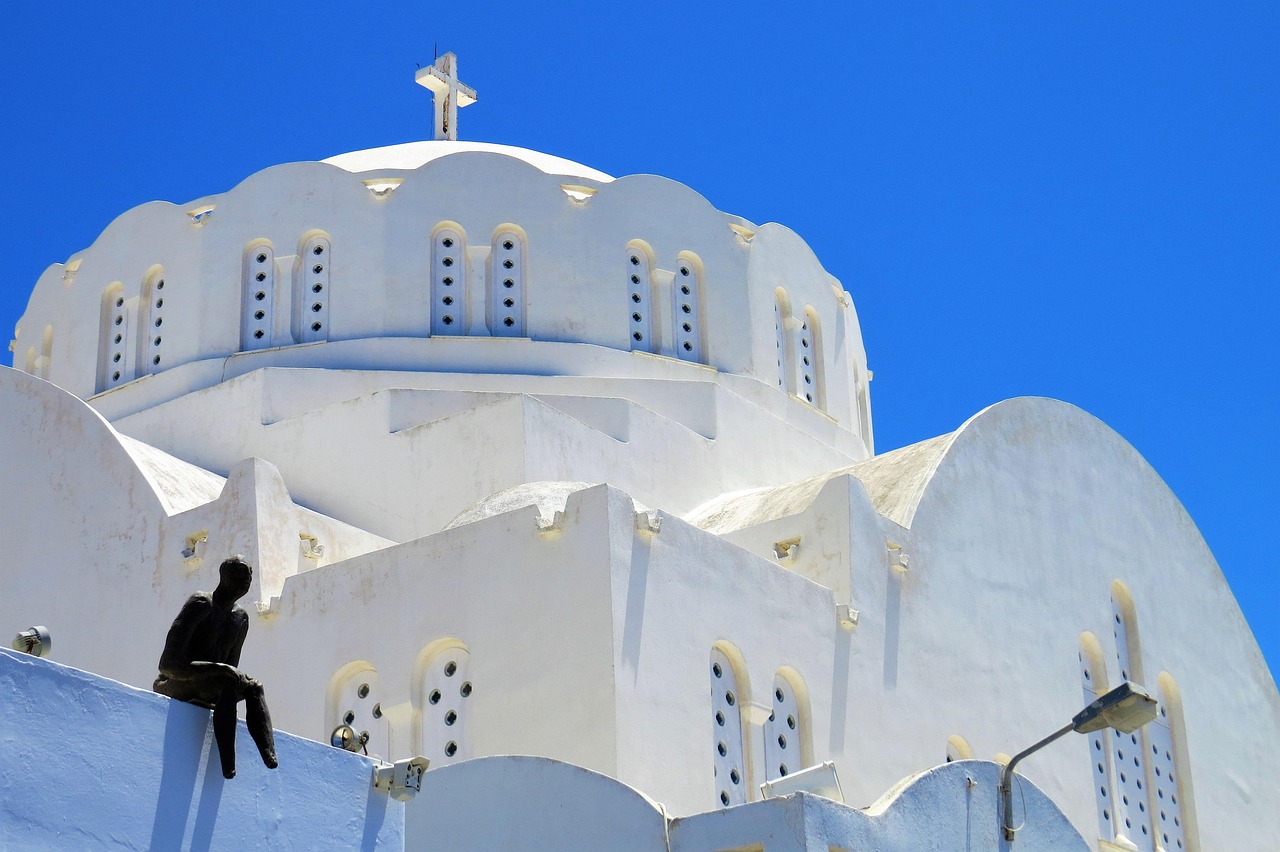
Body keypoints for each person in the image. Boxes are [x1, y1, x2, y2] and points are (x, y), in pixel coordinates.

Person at [154, 555, 278, 779]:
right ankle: (228, 764)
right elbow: (168, 664)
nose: (247, 578)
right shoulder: (202, 603)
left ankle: (269, 754)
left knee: (254, 687)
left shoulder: (240, 618)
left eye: (249, 574)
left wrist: (231, 675)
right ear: (224, 575)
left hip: (212, 685)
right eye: (240, 572)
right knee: (227, 680)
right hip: (176, 681)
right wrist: (221, 671)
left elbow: (231, 667)